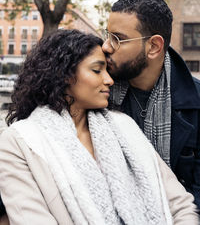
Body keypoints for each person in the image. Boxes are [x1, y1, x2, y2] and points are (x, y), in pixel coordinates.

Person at [0, 29, 198, 225]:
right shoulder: (19, 142)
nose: (109, 80)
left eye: (107, 71)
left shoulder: (124, 126)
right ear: (63, 75)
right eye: (97, 70)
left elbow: (180, 205)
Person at [102, 0, 200, 209]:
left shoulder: (196, 103)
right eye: (107, 35)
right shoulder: (98, 93)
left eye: (117, 39)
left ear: (154, 46)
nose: (106, 47)